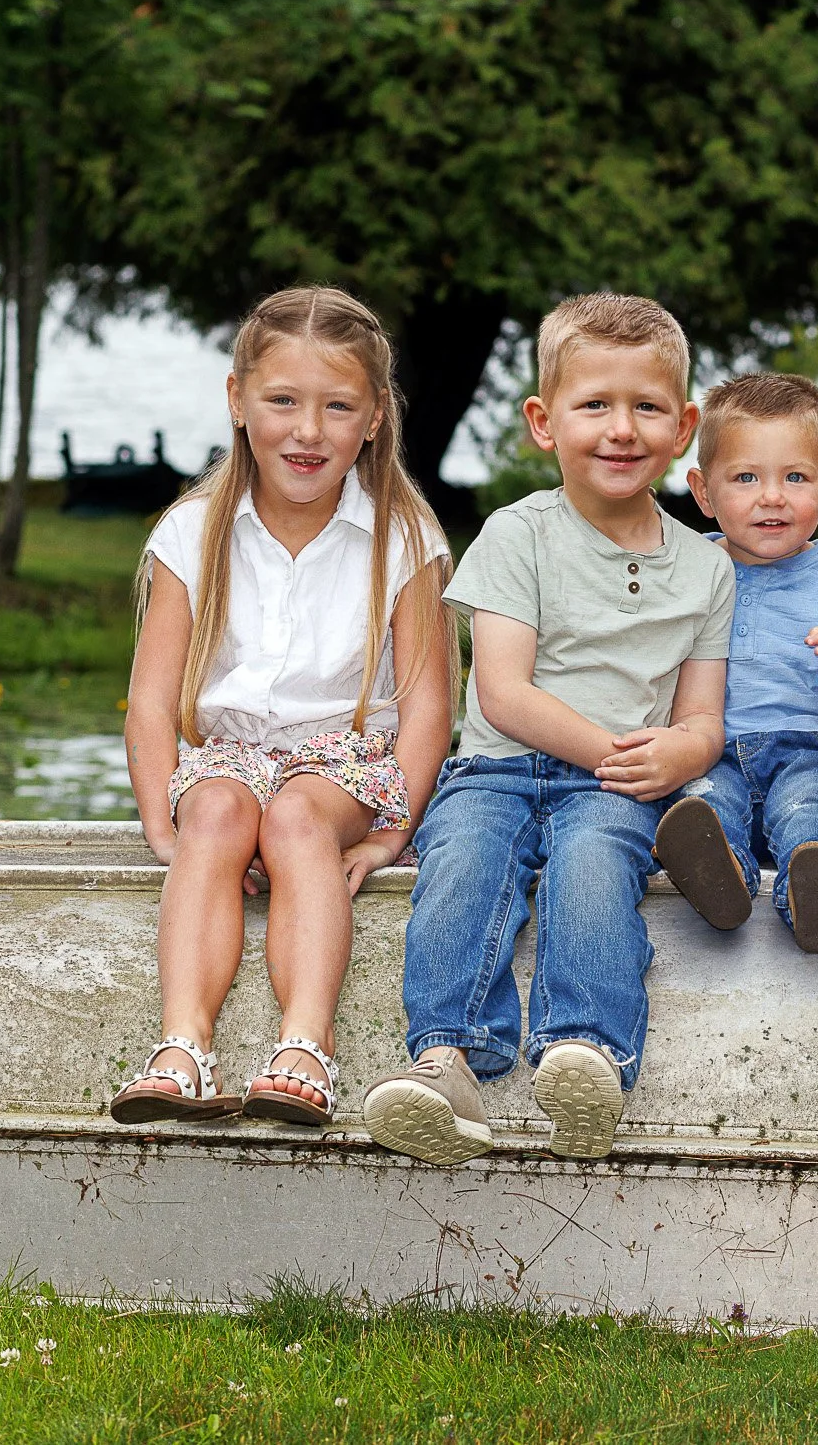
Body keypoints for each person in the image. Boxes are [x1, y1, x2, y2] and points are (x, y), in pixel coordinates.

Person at [360, 293, 736, 1167]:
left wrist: (682, 751)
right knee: (461, 864)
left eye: (646, 408)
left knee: (594, 865)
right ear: (543, 421)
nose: (620, 428)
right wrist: (614, 745)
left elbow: (702, 714)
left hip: (614, 786)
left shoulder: (706, 568)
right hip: (497, 769)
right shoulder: (517, 535)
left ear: (683, 427)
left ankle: (588, 1053)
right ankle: (446, 1058)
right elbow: (500, 692)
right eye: (594, 405)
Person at [115, 286, 453, 1129]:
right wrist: (166, 817)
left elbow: (426, 709)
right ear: (238, 400)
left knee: (298, 817)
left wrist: (389, 830)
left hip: (341, 763)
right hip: (229, 753)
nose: (308, 431)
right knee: (222, 811)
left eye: (338, 406)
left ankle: (307, 1040)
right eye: (283, 402)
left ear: (374, 416)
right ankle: (182, 1045)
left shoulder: (404, 537)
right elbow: (153, 701)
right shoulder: (192, 533)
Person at [656, 372, 818, 952]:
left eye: (796, 477)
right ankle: (724, 880)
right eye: (746, 478)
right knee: (705, 802)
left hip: (811, 746)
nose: (772, 497)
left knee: (810, 809)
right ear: (703, 491)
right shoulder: (686, 568)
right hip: (712, 747)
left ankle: (812, 892)